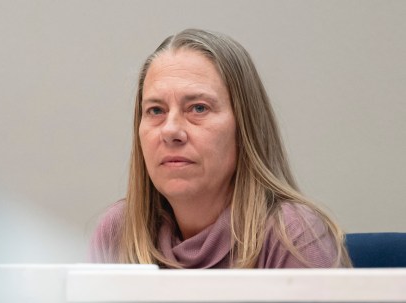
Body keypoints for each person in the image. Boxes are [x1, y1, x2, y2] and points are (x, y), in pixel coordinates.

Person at [90, 28, 350, 268]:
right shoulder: (118, 232)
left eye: (198, 108)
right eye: (156, 110)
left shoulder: (295, 236)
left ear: (244, 126)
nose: (170, 131)